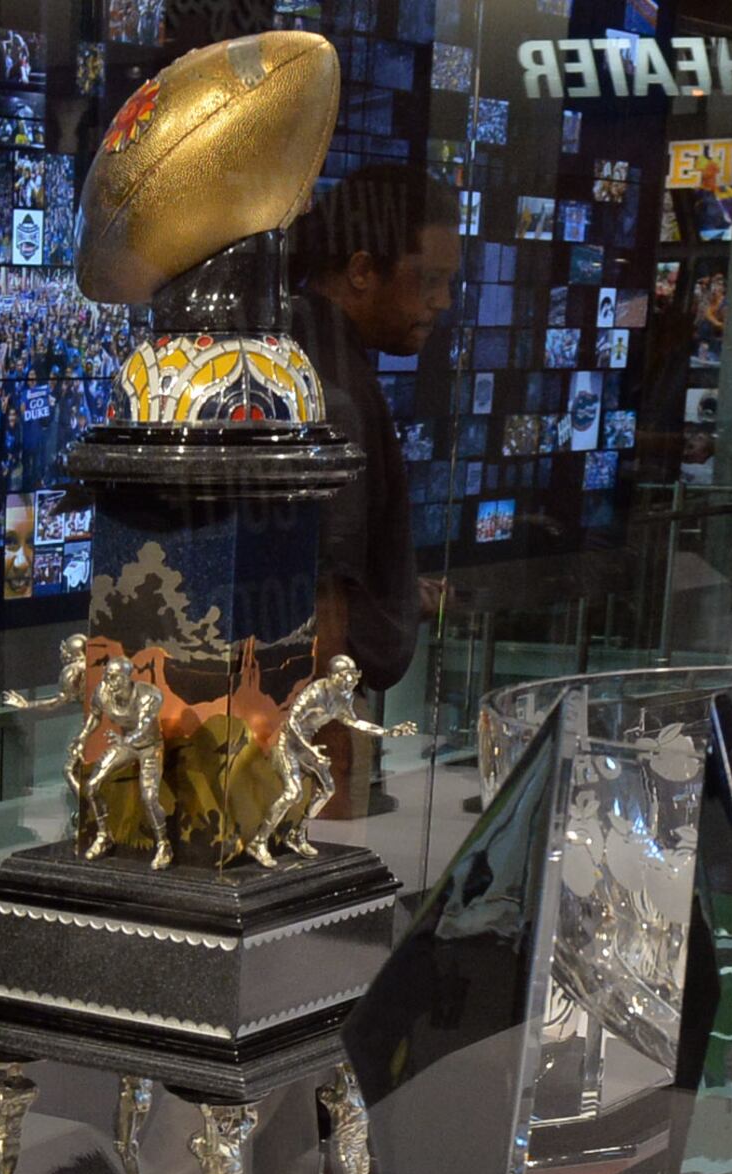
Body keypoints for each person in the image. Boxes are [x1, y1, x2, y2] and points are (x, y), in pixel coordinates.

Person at [287, 162, 459, 813]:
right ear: (362, 270)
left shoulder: (309, 351)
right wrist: (331, 779)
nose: (442, 301)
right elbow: (322, 597)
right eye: (430, 280)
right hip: (311, 738)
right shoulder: (332, 389)